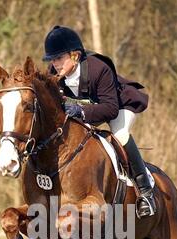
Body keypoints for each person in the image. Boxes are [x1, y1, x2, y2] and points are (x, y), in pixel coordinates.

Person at [42, 25, 156, 218]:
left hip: (119, 105)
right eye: (52, 60)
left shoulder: (98, 68)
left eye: (59, 58)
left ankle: (145, 192)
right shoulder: (54, 75)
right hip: (91, 109)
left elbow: (110, 109)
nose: (55, 65)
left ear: (75, 56)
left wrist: (80, 110)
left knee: (120, 135)